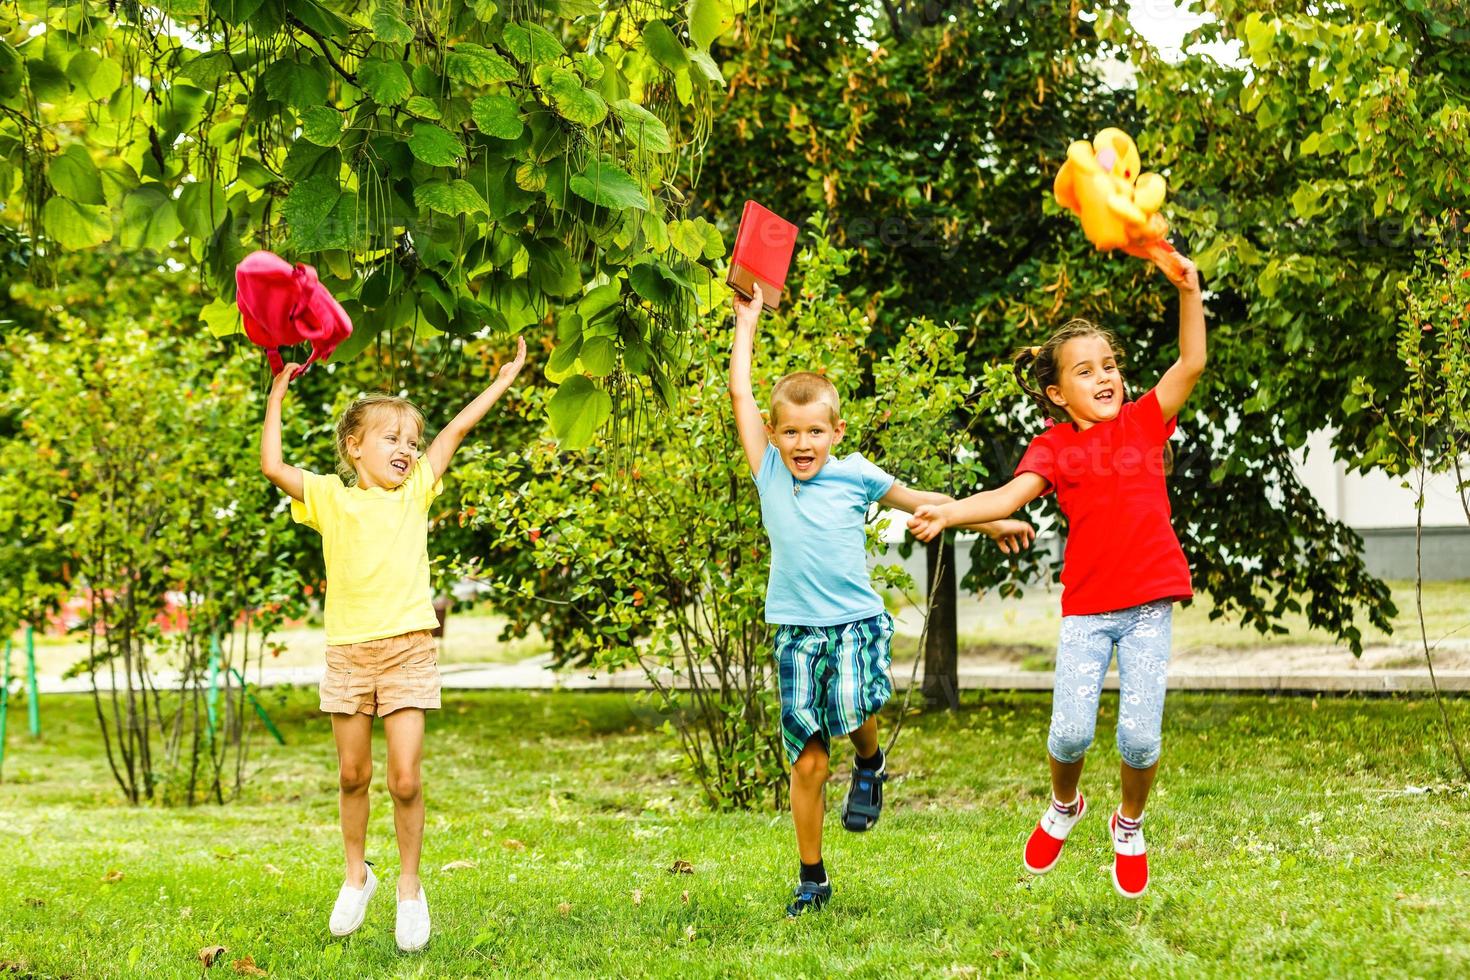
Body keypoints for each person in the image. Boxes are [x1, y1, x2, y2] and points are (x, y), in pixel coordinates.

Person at [729, 283, 1034, 916]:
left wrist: (991, 522)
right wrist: (746, 322)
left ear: (836, 431)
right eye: (791, 432)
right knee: (808, 760)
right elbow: (740, 394)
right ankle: (812, 875)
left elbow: (924, 502)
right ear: (775, 435)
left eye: (816, 431)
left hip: (853, 624)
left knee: (850, 711)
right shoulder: (768, 472)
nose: (804, 443)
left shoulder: (856, 473)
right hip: (795, 632)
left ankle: (870, 761)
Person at [909, 251, 1203, 898]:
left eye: (1110, 365)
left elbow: (1192, 363)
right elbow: (1009, 499)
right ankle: (1064, 806)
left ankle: (1129, 823)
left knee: (1139, 735)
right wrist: (951, 511)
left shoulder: (1145, 421)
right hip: (1089, 612)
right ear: (1055, 393)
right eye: (1085, 370)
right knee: (1069, 731)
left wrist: (1189, 289)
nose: (1105, 377)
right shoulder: (1056, 447)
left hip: (1150, 604)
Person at [260, 338, 527, 949]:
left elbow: (457, 428)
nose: (406, 449)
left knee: (404, 779)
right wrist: (277, 392)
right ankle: (358, 876)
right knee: (353, 775)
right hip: (349, 653)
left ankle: (410, 886)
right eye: (391, 439)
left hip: (408, 647)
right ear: (355, 446)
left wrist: (506, 375)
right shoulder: (328, 496)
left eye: (411, 440)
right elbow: (273, 467)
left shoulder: (416, 491)